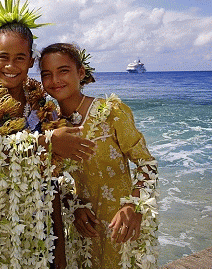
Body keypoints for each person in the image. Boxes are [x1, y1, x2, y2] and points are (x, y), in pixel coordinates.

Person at [0, 0, 96, 269]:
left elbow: (51, 178)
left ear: (31, 61)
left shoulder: (45, 109)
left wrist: (60, 244)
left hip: (37, 224)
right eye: (4, 57)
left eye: (20, 58)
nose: (11, 66)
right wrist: (46, 141)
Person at [38, 43, 159, 268]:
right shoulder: (50, 127)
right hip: (82, 233)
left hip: (121, 228)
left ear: (81, 72)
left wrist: (133, 206)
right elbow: (56, 179)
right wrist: (74, 206)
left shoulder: (111, 113)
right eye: (47, 74)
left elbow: (147, 163)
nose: (55, 80)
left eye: (63, 71)